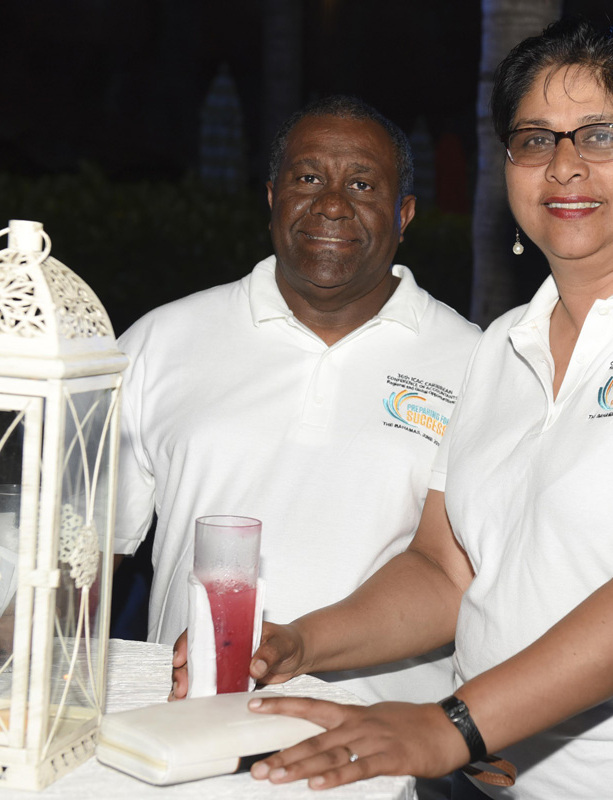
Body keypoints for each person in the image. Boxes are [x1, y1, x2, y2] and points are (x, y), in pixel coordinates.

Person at [237, 19, 613, 800]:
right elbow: (445, 568)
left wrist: (451, 725)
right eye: (535, 140)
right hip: (501, 778)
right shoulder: (502, 345)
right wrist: (298, 642)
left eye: (602, 135)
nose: (565, 165)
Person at [113, 95, 480, 709]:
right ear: (271, 198)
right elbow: (88, 548)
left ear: (404, 215)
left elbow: (460, 574)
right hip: (189, 723)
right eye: (308, 178)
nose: (332, 204)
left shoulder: (474, 362)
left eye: (362, 184)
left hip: (381, 739)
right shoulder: (162, 341)